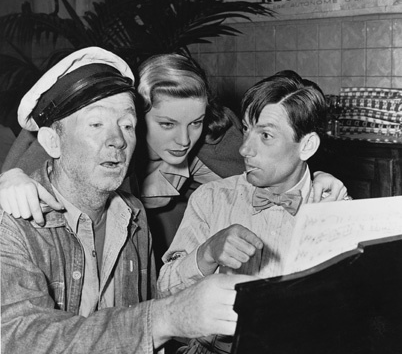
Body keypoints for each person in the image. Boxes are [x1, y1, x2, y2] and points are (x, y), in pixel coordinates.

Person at [0, 47, 257, 354]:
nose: (118, 139)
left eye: (127, 124)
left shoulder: (132, 215)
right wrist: (168, 317)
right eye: (96, 123)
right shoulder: (15, 223)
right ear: (53, 141)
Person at [0, 55, 346, 266]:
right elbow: (32, 168)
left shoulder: (215, 137)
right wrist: (11, 180)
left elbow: (271, 171)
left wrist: (318, 178)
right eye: (166, 124)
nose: (184, 141)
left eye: (194, 122)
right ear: (134, 111)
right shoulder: (94, 134)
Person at [157, 70, 351, 354]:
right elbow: (163, 294)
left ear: (307, 146)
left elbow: (355, 314)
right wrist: (206, 254)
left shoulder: (334, 207)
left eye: (266, 135)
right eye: (247, 130)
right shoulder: (212, 199)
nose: (245, 149)